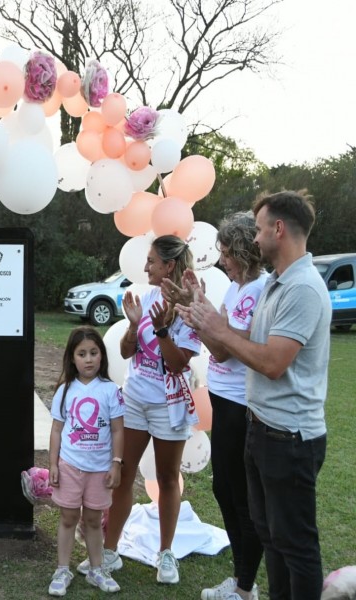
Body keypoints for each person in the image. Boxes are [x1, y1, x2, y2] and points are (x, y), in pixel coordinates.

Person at [178, 191, 330, 600]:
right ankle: (255, 588)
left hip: (290, 438)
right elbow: (247, 340)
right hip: (263, 429)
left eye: (260, 229)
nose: (256, 238)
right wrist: (204, 309)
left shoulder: (302, 289)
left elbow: (272, 362)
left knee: (294, 545)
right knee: (271, 536)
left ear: (278, 229)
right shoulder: (280, 285)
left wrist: (218, 328)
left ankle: (247, 587)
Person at [164, 213, 267, 600]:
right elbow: (219, 344)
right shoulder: (237, 290)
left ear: (242, 251)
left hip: (243, 405)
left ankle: (244, 587)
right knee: (225, 489)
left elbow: (224, 348)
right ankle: (244, 581)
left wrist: (197, 313)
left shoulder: (262, 290)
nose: (222, 260)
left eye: (226, 253)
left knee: (238, 493)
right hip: (224, 401)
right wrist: (194, 308)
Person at [102, 235, 200, 586]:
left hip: (168, 406)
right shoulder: (146, 296)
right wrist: (132, 326)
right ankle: (109, 551)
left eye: (151, 261)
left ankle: (166, 553)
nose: (145, 267)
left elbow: (177, 364)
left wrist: (161, 329)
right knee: (123, 476)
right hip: (135, 400)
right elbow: (128, 353)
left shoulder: (190, 305)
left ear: (169, 266)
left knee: (167, 478)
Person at [47, 326, 124, 596]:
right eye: (82, 354)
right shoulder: (65, 391)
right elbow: (56, 430)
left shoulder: (111, 390)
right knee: (68, 517)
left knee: (93, 519)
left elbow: (117, 429)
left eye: (94, 352)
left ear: (102, 356)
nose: (89, 359)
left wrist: (116, 463)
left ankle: (97, 569)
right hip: (70, 466)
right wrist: (54, 464)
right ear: (72, 358)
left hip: (100, 470)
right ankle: (62, 569)